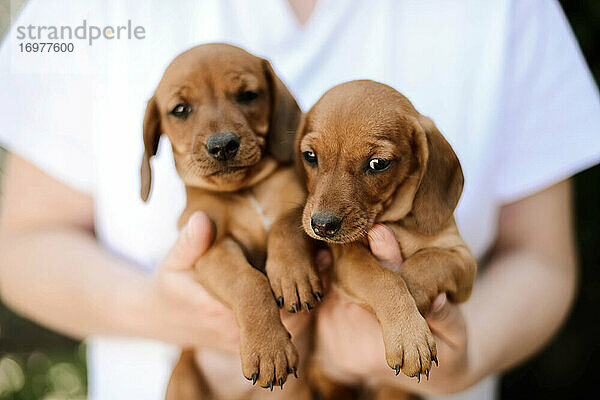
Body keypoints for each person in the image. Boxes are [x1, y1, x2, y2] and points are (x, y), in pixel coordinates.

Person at [0, 0, 599, 399]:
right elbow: (17, 243)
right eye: (182, 112)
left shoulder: (510, 12)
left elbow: (542, 259)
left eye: (248, 99)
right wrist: (175, 314)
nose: (221, 133)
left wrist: (463, 360)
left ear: (279, 113)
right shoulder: (80, 10)